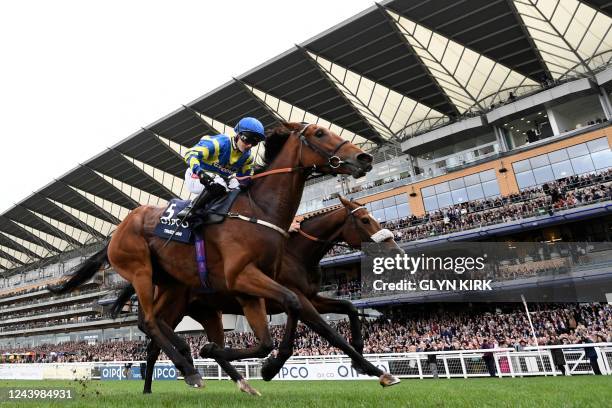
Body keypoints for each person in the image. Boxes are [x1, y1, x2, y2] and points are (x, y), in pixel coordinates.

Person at [177, 117, 265, 219]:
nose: (249, 145)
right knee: (219, 183)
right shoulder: (219, 143)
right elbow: (190, 154)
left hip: (219, 179)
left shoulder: (248, 158)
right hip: (196, 176)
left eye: (254, 143)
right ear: (238, 134)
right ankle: (190, 209)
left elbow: (245, 180)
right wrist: (200, 173)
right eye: (247, 139)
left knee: (236, 187)